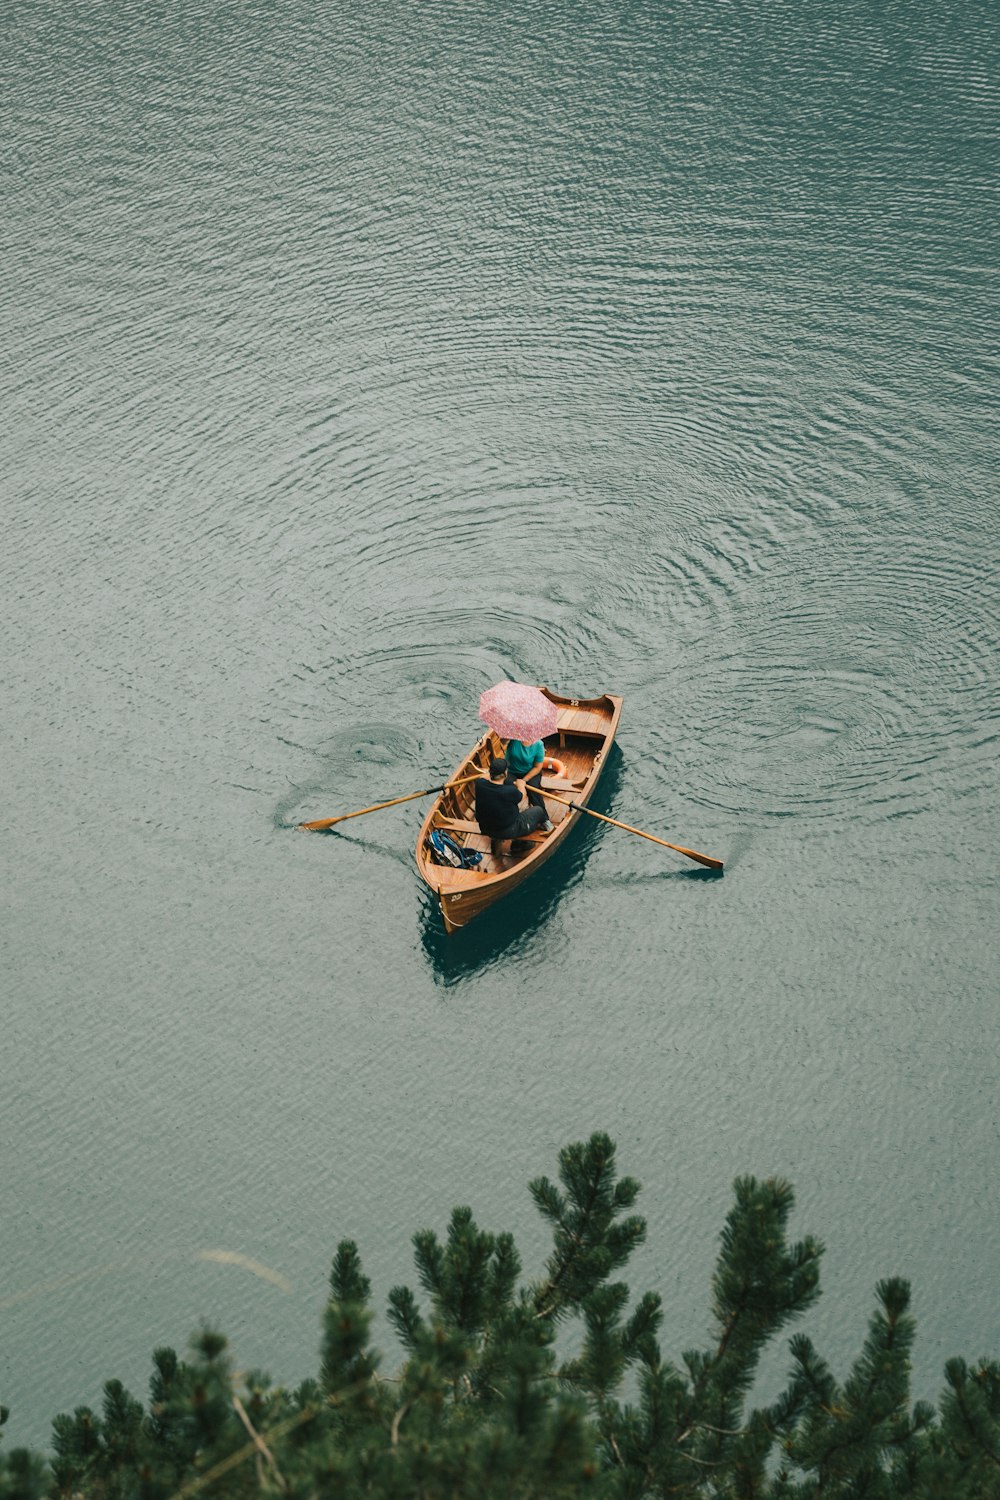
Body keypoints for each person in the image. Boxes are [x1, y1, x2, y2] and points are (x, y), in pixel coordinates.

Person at [474, 756, 552, 852]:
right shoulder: (509, 791)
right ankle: (520, 843)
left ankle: (496, 841)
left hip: (485, 828)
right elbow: (522, 795)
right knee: (539, 810)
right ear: (505, 773)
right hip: (508, 830)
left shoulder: (479, 784)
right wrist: (521, 784)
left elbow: (484, 777)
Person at [505, 737, 548, 809]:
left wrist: (524, 780)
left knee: (533, 789)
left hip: (531, 772)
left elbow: (537, 767)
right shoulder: (513, 740)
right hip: (512, 772)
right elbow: (503, 743)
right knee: (508, 787)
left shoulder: (539, 744)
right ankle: (511, 812)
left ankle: (543, 815)